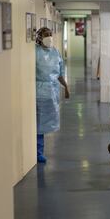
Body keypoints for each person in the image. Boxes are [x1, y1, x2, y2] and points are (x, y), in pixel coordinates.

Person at [35, 27, 70, 163]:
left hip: (52, 92)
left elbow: (60, 73)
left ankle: (39, 151)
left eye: (50, 34)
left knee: (42, 125)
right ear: (39, 37)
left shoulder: (56, 52)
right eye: (46, 35)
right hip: (38, 91)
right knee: (37, 123)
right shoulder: (34, 52)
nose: (49, 37)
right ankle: (37, 152)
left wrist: (66, 87)